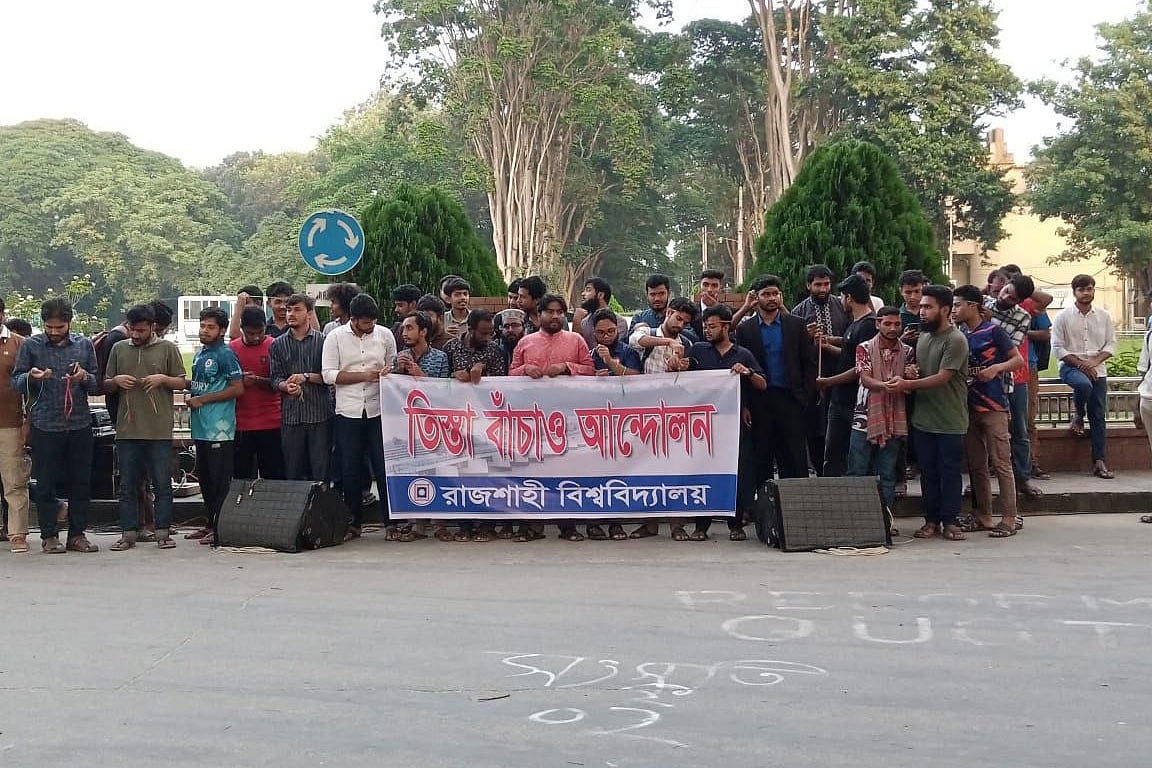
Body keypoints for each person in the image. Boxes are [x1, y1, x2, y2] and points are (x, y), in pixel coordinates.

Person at [12, 298, 101, 554]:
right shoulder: (31, 346)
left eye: (59, 327)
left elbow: (96, 384)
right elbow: (16, 381)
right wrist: (32, 376)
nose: (53, 332)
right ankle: (49, 535)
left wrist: (83, 376)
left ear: (69, 323)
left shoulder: (84, 345)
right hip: (45, 423)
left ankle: (77, 534)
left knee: (81, 482)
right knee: (46, 482)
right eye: (49, 327)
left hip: (78, 423)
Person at [885, 285, 969, 541]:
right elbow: (921, 370)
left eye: (928, 307)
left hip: (950, 419)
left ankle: (951, 520)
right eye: (921, 306)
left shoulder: (955, 340)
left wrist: (908, 384)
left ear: (945, 309)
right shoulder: (923, 336)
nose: (921, 311)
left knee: (949, 472)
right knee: (928, 473)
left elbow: (943, 377)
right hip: (923, 419)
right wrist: (911, 372)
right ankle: (931, 520)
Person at [510, 294, 595, 542]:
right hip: (532, 421)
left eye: (560, 312)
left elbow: (590, 370)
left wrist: (568, 367)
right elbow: (509, 375)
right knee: (531, 471)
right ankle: (531, 527)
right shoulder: (525, 342)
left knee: (566, 470)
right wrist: (525, 369)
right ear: (540, 314)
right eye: (550, 311)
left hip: (567, 420)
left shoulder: (576, 340)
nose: (555, 316)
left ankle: (567, 525)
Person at [104, 304, 186, 551]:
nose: (136, 335)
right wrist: (116, 381)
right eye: (132, 330)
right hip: (127, 429)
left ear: (153, 327)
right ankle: (128, 532)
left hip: (158, 429)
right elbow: (106, 384)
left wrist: (163, 379)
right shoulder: (118, 348)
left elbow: (182, 381)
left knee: (162, 484)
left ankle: (162, 531)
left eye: (141, 330)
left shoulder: (168, 349)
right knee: (128, 485)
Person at [687, 304, 767, 541]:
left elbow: (763, 384)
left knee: (738, 472)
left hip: (734, 425)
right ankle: (701, 525)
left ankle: (736, 523)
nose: (707, 331)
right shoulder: (699, 350)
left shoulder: (742, 354)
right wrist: (678, 364)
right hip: (704, 425)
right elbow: (686, 371)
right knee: (704, 470)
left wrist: (748, 373)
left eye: (712, 326)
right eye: (705, 326)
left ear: (726, 326)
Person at [322, 293, 398, 541]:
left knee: (383, 466)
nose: (370, 326)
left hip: (379, 410)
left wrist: (386, 373)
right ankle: (354, 522)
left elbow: (393, 365)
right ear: (352, 319)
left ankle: (391, 521)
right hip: (349, 409)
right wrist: (365, 376)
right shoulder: (334, 337)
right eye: (365, 323)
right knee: (350, 469)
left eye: (373, 322)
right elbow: (329, 375)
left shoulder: (385, 335)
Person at [954, 284, 1025, 538]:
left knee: (1001, 463)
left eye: (958, 305)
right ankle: (983, 514)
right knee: (976, 464)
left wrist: (996, 369)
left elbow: (1018, 360)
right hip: (968, 406)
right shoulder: (958, 334)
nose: (954, 310)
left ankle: (1009, 517)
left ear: (972, 306)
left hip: (994, 405)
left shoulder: (994, 331)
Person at [733, 274, 817, 483]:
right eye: (766, 294)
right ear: (756, 298)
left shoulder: (796, 325)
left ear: (780, 296)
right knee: (762, 457)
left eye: (775, 294)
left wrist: (806, 395)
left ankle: (796, 507)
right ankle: (765, 510)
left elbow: (808, 363)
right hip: (760, 401)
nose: (771, 298)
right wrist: (745, 405)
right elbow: (743, 371)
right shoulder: (746, 329)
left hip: (791, 398)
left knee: (794, 458)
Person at [445, 309, 509, 542]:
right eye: (483, 333)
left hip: (487, 420)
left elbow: (503, 385)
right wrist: (455, 376)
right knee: (463, 470)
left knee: (487, 470)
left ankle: (488, 524)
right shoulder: (452, 348)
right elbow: (438, 383)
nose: (487, 338)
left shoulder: (495, 350)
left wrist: (485, 372)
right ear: (470, 329)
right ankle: (465, 523)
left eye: (490, 333)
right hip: (458, 420)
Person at [183, 307, 244, 545]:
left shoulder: (225, 354)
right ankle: (209, 523)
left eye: (210, 327)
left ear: (222, 330)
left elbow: (237, 388)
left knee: (220, 481)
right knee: (205, 480)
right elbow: (202, 384)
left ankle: (221, 528)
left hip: (220, 428)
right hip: (201, 427)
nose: (205, 331)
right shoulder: (200, 353)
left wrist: (203, 400)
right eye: (203, 326)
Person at [847, 307, 914, 525]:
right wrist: (886, 385)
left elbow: (909, 381)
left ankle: (883, 521)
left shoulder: (908, 351)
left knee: (887, 474)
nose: (893, 328)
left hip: (894, 416)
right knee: (858, 470)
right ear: (878, 324)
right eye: (888, 324)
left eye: (897, 324)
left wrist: (910, 378)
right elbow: (865, 378)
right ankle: (859, 520)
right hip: (865, 417)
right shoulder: (864, 348)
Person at [984, 272, 1043, 498]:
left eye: (1011, 298)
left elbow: (1011, 344)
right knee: (982, 431)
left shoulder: (1023, 316)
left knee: (1020, 429)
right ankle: (982, 480)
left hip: (1012, 379)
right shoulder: (983, 304)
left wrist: (989, 321)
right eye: (1006, 290)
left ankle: (1023, 478)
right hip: (981, 378)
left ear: (1019, 301)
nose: (1004, 297)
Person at [1052, 274, 1116, 479]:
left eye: (1089, 289)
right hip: (1071, 366)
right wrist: (1081, 364)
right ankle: (1079, 415)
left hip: (1098, 368)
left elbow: (1111, 344)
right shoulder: (1063, 316)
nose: (1086, 293)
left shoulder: (1104, 316)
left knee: (1098, 415)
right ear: (1074, 292)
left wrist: (1093, 362)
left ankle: (1099, 461)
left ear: (1094, 290)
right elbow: (1058, 348)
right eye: (1081, 290)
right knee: (1084, 385)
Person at [815, 274, 877, 476]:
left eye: (842, 297)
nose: (841, 301)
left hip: (853, 402)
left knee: (853, 455)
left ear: (849, 297)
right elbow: (849, 356)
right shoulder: (854, 324)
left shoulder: (868, 325)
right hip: (839, 399)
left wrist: (828, 382)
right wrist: (828, 346)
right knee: (832, 453)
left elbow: (860, 368)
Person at [790, 265, 850, 476]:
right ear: (809, 286)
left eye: (826, 284)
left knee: (839, 425)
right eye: (818, 285)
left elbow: (852, 340)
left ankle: (838, 470)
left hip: (841, 374)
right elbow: (792, 347)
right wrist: (806, 337)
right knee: (815, 427)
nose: (823, 289)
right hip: (812, 378)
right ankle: (818, 468)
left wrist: (830, 341)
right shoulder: (799, 311)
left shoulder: (842, 307)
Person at [270, 294, 333, 482]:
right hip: (291, 416)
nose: (291, 314)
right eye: (289, 310)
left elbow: (329, 377)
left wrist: (305, 377)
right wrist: (285, 386)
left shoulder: (323, 342)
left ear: (309, 313)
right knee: (293, 470)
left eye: (297, 310)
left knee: (320, 470)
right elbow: (274, 378)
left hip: (319, 414)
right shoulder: (277, 344)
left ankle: (321, 509)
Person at [229, 306, 284, 481]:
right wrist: (239, 382)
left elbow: (281, 381)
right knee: (242, 476)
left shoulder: (275, 345)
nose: (256, 337)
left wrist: (259, 381)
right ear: (242, 329)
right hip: (240, 423)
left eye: (260, 332)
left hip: (271, 421)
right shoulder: (231, 349)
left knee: (274, 475)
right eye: (251, 333)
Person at [0, 299, 29, 553]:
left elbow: (29, 388)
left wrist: (27, 422)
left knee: (14, 481)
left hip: (9, 422)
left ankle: (17, 533)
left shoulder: (18, 344)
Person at [629, 297, 696, 376]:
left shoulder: (686, 343)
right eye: (678, 319)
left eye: (685, 323)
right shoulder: (647, 332)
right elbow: (634, 340)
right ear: (669, 312)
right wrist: (669, 342)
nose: (680, 325)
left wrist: (680, 367)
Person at [574, 277, 629, 346]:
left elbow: (618, 350)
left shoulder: (619, 322)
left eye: (588, 290)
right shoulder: (584, 321)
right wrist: (576, 322)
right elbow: (578, 348)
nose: (583, 294)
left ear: (600, 295)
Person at [691, 269, 725, 340]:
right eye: (705, 285)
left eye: (714, 285)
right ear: (700, 287)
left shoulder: (729, 311)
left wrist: (716, 306)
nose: (709, 290)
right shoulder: (691, 311)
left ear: (720, 288)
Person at [442, 277, 472, 341]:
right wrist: (444, 335)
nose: (463, 298)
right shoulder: (442, 319)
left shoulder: (476, 318)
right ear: (448, 299)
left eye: (465, 294)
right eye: (458, 294)